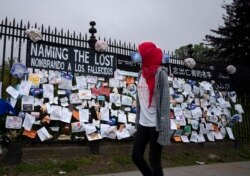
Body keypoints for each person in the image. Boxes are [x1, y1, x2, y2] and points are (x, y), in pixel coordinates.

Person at [132, 41, 171, 176]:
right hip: (143, 122)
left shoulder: (161, 74)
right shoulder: (140, 73)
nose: (137, 54)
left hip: (156, 124)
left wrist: (164, 128)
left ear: (147, 54)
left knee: (154, 161)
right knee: (136, 156)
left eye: (139, 52)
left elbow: (165, 103)